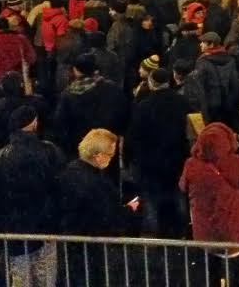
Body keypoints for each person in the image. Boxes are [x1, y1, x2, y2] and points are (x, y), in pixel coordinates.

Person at [0, 105, 64, 287]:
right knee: (46, 277)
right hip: (45, 230)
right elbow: (60, 188)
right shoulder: (50, 152)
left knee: (20, 279)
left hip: (14, 234)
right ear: (34, 124)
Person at [179, 122, 239, 287]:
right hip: (234, 232)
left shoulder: (191, 165)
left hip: (206, 233)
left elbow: (182, 186)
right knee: (235, 273)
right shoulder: (237, 162)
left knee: (210, 272)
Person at [56, 129, 140, 286]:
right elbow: (108, 216)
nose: (111, 159)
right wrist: (129, 210)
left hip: (69, 244)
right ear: (99, 156)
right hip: (91, 247)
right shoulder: (98, 183)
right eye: (110, 155)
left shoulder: (69, 171)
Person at [124, 68, 189, 237]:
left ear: (152, 83)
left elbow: (133, 135)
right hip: (177, 159)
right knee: (178, 195)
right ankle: (181, 229)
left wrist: (128, 158)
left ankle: (154, 233)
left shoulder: (143, 106)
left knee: (151, 198)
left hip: (150, 162)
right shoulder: (182, 102)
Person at [53, 54, 129, 156]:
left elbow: (60, 123)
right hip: (107, 142)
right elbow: (123, 112)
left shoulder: (68, 95)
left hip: (81, 146)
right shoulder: (111, 88)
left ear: (76, 70)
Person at [195, 31, 239, 128]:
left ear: (211, 44)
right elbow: (235, 85)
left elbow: (201, 89)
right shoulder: (230, 59)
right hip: (227, 107)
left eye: (203, 42)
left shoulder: (202, 62)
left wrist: (204, 114)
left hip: (211, 108)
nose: (200, 44)